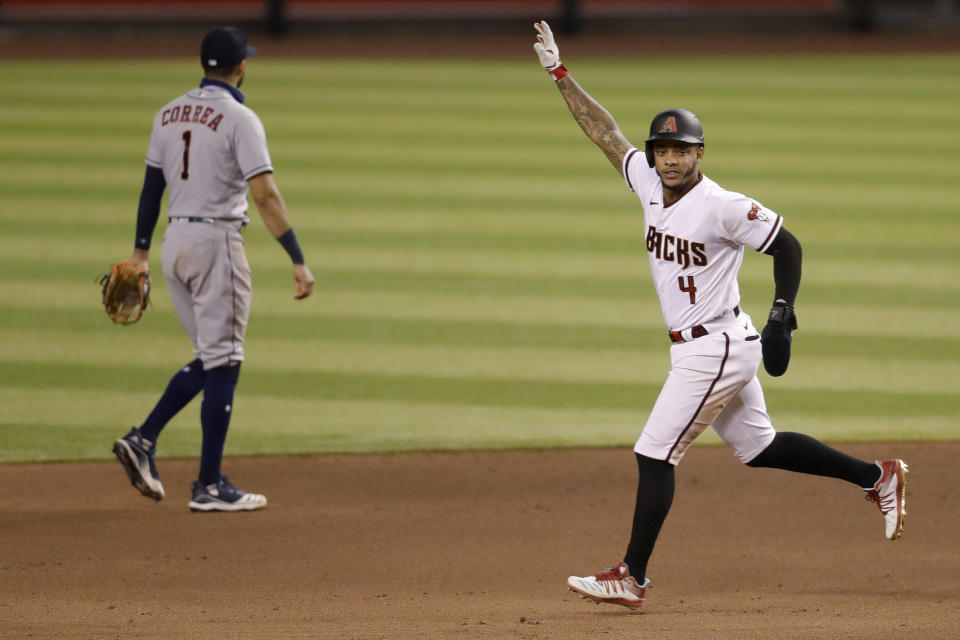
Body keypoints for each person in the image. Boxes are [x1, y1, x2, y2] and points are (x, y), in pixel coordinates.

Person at [532, 21, 907, 608]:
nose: (670, 159)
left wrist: (783, 311)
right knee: (759, 447)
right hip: (703, 343)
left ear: (699, 153)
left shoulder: (724, 207)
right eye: (662, 150)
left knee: (654, 452)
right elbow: (605, 133)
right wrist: (560, 75)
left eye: (681, 150)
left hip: (716, 347)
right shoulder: (648, 184)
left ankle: (632, 574)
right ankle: (877, 477)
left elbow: (789, 245)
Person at [112, 26, 315, 512]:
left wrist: (139, 254)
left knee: (211, 356)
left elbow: (149, 189)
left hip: (173, 243)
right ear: (241, 66)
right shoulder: (240, 118)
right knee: (224, 359)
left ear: (204, 65)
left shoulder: (167, 113)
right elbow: (265, 194)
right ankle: (201, 479)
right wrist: (297, 258)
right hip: (216, 241)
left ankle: (152, 446)